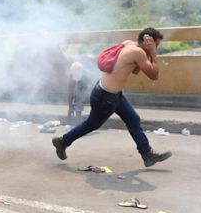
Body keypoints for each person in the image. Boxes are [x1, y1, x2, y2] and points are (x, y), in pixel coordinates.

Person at [52, 27, 172, 167]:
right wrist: (153, 53)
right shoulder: (138, 52)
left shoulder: (129, 44)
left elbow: (134, 70)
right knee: (92, 124)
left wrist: (148, 53)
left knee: (133, 119)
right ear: (147, 42)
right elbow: (154, 75)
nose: (156, 47)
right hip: (106, 97)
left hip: (112, 93)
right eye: (155, 44)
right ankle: (62, 141)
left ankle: (147, 155)